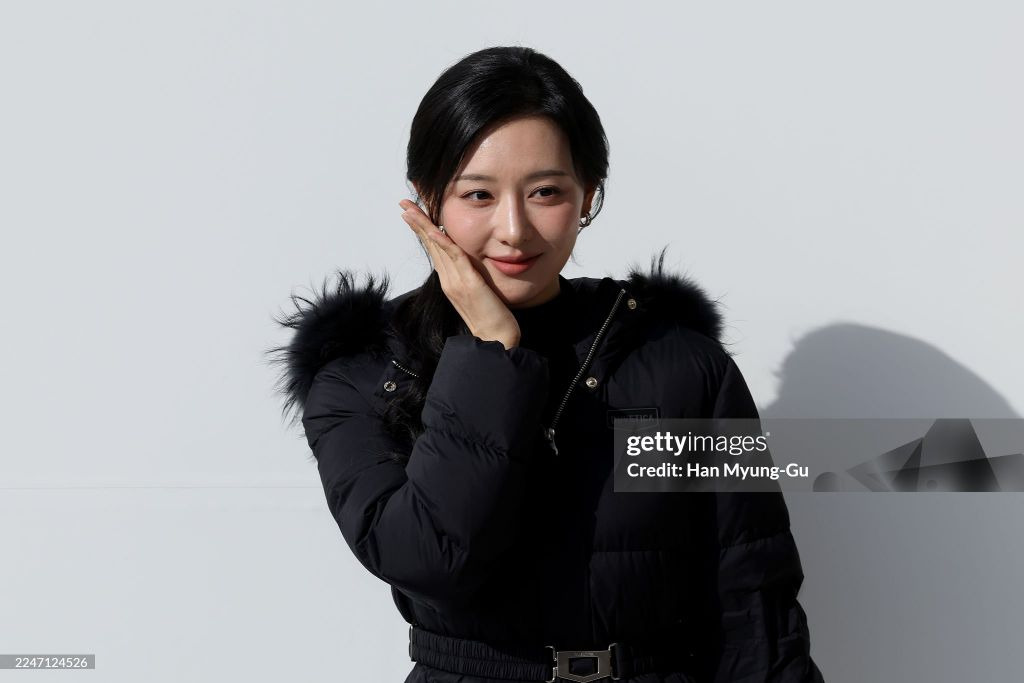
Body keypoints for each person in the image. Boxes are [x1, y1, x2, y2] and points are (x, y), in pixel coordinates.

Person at [269, 46, 824, 683]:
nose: (514, 229)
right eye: (478, 194)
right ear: (427, 200)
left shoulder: (676, 363)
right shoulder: (368, 371)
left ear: (588, 194)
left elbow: (753, 599)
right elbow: (430, 561)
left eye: (545, 192)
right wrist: (490, 351)